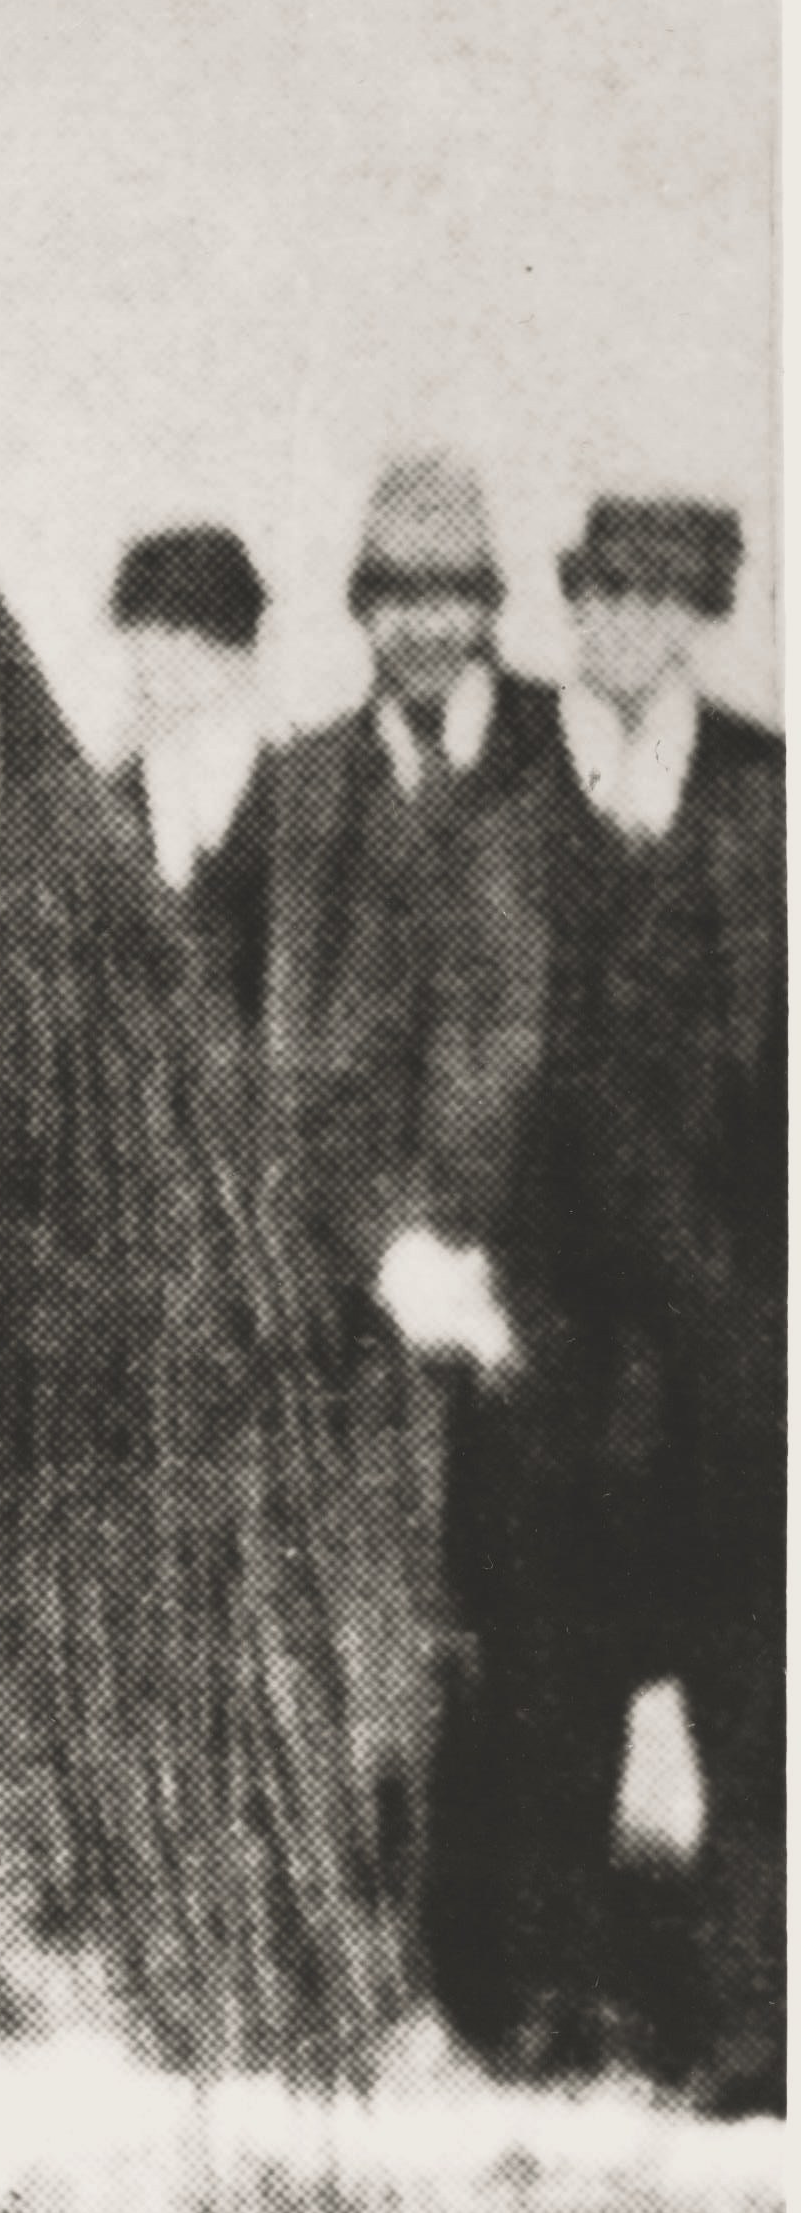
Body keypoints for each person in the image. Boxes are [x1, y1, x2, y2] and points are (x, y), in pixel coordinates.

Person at [212, 447, 561, 2062]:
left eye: (450, 596)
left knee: (513, 1642)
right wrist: (368, 1246)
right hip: (339, 1294)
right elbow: (234, 1042)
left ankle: (499, 1981)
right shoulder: (296, 792)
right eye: (394, 596)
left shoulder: (556, 773)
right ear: (362, 612)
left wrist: (501, 1270)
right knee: (341, 1644)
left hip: (524, 1300)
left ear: (487, 609)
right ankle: (351, 1985)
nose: (422, 627)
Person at [468, 494, 781, 2101]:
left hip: (736, 1325)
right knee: (550, 1675)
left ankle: (751, 2023)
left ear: (702, 622)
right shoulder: (504, 809)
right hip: (558, 1322)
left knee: (751, 1684)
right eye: (606, 601)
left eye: (666, 607)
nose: (632, 633)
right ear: (572, 609)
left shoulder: (767, 796)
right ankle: (554, 2003)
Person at [107, 518, 273, 1022]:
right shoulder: (118, 792)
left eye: (171, 632)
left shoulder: (309, 785)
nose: (144, 660)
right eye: (141, 634)